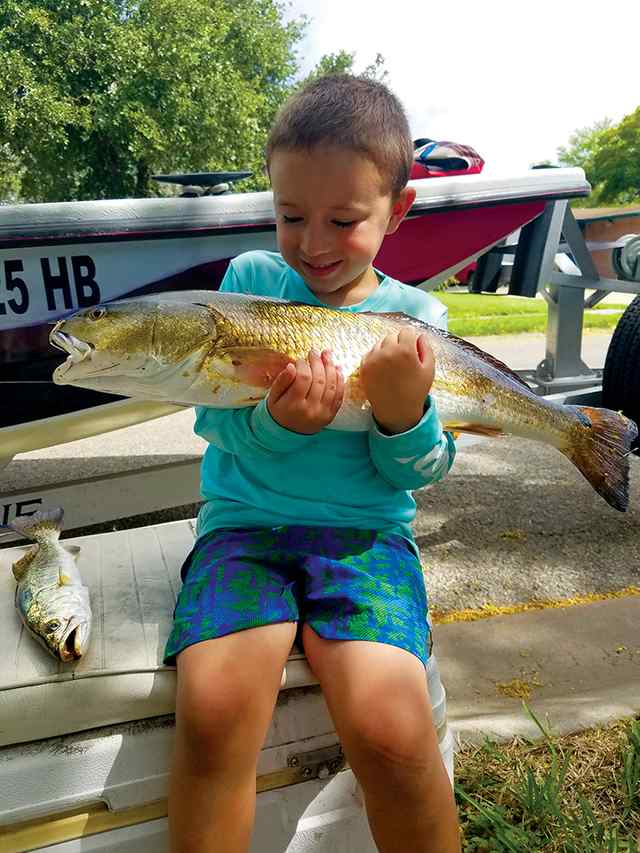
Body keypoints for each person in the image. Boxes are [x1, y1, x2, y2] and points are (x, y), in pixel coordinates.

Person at [164, 73, 461, 853]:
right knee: (213, 711)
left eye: (344, 219)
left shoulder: (419, 322)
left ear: (398, 212)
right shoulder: (249, 285)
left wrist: (403, 416)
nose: (315, 242)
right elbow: (214, 423)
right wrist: (278, 421)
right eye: (291, 216)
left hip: (366, 540)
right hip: (244, 531)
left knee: (393, 730)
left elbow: (424, 470)